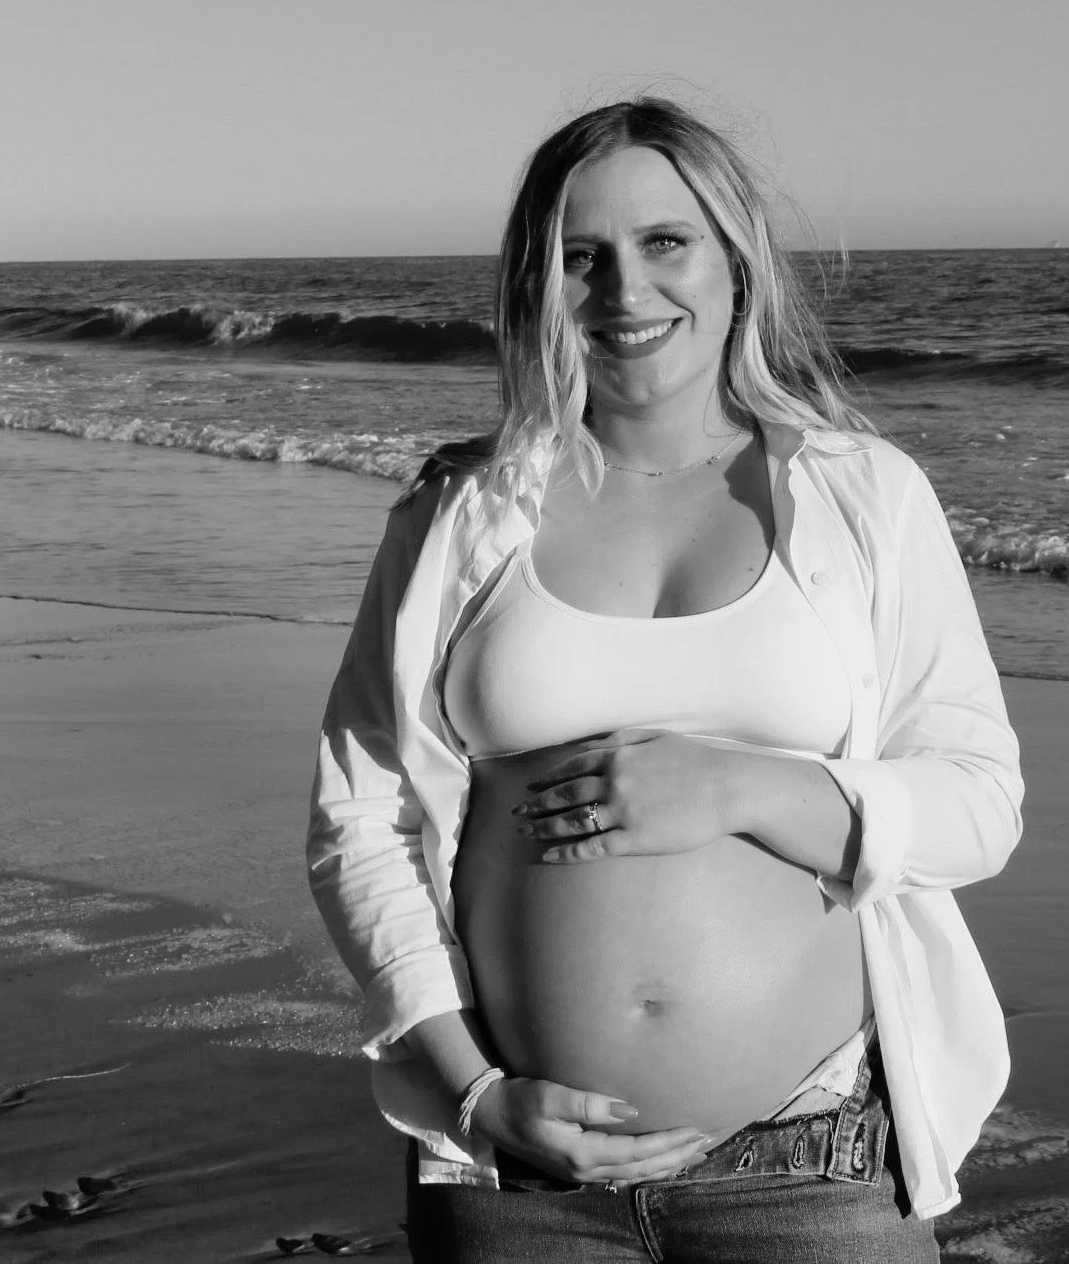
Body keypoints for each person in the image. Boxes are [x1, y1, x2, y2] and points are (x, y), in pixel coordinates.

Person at [308, 98, 1023, 1262]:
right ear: (538, 287)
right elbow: (362, 817)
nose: (624, 292)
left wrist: (741, 787)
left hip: (812, 1165)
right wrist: (473, 1086)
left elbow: (981, 800)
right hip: (516, 1172)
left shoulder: (864, 494)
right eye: (580, 257)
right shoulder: (458, 515)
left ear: (737, 262)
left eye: (664, 244)